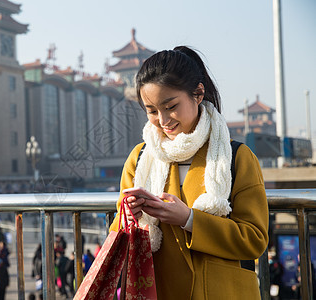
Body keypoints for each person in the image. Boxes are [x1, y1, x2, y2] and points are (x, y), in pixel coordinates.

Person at [109, 46, 269, 299]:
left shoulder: (237, 157)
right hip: (159, 290)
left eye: (170, 106)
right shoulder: (139, 158)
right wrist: (130, 217)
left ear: (198, 93)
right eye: (151, 111)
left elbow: (254, 239)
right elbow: (118, 234)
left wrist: (189, 219)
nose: (163, 120)